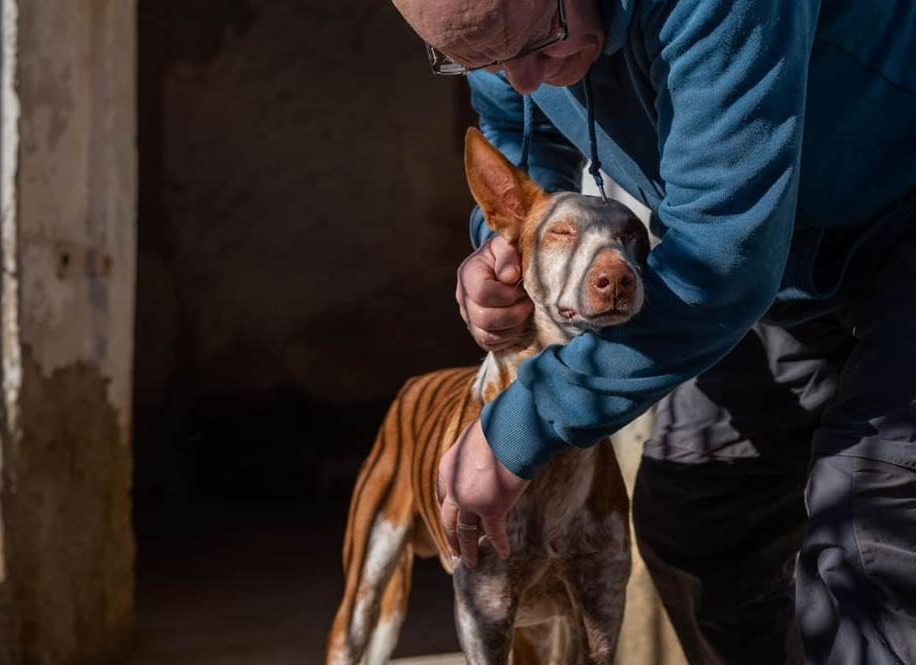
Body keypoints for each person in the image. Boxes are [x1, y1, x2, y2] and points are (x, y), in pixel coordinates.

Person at [391, 0, 916, 663]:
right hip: (782, 270)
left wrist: (521, 423)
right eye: (475, 59)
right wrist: (512, 252)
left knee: (877, 529)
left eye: (539, 41)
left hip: (880, 214)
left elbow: (720, 260)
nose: (522, 78)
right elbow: (516, 129)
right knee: (700, 522)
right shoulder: (507, 31)